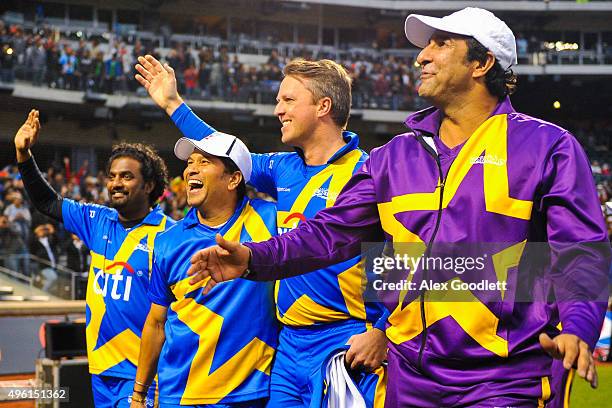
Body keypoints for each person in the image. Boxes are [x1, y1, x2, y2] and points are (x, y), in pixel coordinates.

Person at [186, 8, 610, 407]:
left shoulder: (547, 147)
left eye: (442, 44)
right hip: (409, 378)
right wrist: (254, 258)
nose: (422, 56)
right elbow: (330, 233)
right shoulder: (392, 157)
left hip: (504, 378)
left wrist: (579, 326)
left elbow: (580, 249)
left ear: (481, 65)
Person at [135, 55, 388, 406]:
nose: (278, 111)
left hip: (346, 341)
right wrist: (173, 105)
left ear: (323, 107)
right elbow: (222, 152)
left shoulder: (368, 172)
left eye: (288, 100)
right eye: (278, 101)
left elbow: (395, 258)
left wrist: (382, 331)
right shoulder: (282, 168)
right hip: (289, 348)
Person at [15, 109, 175, 408]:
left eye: (127, 177)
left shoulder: (171, 235)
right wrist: (24, 154)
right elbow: (47, 201)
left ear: (149, 185)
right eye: (112, 176)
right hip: (100, 370)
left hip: (147, 377)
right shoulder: (96, 220)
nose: (115, 183)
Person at [130, 132, 278, 407]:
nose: (191, 169)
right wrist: (139, 393)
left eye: (205, 162)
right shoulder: (166, 241)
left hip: (247, 393)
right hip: (179, 393)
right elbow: (156, 322)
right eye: (190, 162)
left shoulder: (272, 220)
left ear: (234, 179)